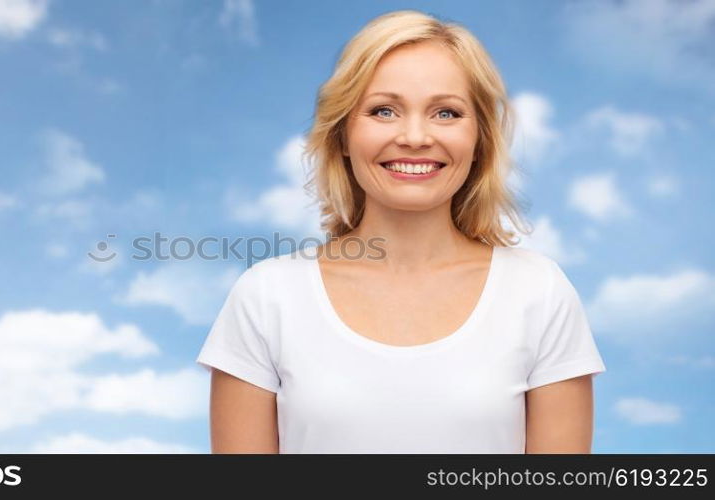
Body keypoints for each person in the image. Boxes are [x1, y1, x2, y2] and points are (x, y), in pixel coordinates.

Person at [196, 10, 606, 454]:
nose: (414, 136)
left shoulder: (539, 293)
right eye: (383, 110)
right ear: (342, 136)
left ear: (479, 141)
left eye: (446, 112)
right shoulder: (266, 297)